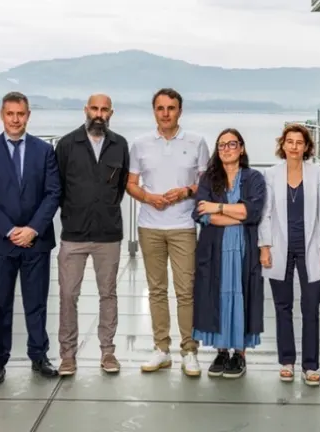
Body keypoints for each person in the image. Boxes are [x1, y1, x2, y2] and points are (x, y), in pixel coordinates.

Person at [0, 91, 61, 384]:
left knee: (36, 302)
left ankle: (39, 356)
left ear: (28, 115)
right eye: (10, 114)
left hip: (36, 239)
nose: (15, 119)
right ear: (2, 115)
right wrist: (11, 231)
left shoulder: (44, 151)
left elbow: (53, 193)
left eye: (20, 114)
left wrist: (32, 228)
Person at [126, 88, 210, 376]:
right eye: (160, 108)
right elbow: (131, 183)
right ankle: (161, 348)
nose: (165, 113)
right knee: (156, 291)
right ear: (154, 111)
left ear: (180, 111)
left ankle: (189, 350)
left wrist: (186, 191)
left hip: (183, 226)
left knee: (186, 291)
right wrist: (149, 198)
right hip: (149, 226)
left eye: (171, 108)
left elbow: (206, 185)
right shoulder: (139, 144)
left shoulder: (197, 142)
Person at [54, 94, 130, 376]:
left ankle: (108, 352)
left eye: (104, 110)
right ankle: (67, 355)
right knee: (67, 294)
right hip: (73, 233)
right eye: (94, 109)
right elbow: (58, 187)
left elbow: (120, 187)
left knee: (107, 294)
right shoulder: (66, 145)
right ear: (86, 110)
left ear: (111, 112)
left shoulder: (119, 145)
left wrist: (104, 209)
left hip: (108, 234)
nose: (99, 114)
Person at [259, 124, 320, 386]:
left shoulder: (318, 174)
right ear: (283, 145)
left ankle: (311, 365)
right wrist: (265, 246)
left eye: (298, 142)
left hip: (310, 247)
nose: (293, 146)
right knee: (283, 306)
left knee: (311, 306)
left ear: (306, 147)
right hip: (280, 247)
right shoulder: (271, 174)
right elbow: (265, 214)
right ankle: (287, 361)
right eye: (289, 142)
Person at [191, 128, 266, 379]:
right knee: (219, 298)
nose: (227, 149)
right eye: (222, 145)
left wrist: (219, 208)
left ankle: (240, 354)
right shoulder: (209, 179)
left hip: (244, 250)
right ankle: (222, 351)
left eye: (232, 144)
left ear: (242, 148)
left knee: (242, 296)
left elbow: (253, 212)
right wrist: (237, 214)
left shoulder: (254, 178)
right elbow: (202, 214)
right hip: (215, 249)